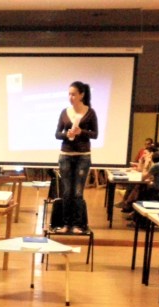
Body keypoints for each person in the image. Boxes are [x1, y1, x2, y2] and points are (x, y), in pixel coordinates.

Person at [54, 81, 98, 234]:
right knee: (67, 192)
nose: (70, 97)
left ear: (81, 95)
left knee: (78, 192)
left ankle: (78, 225)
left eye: (73, 94)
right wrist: (66, 134)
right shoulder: (64, 112)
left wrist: (81, 132)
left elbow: (95, 134)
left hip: (82, 156)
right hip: (66, 155)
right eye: (69, 94)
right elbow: (57, 134)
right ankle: (66, 224)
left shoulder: (90, 112)